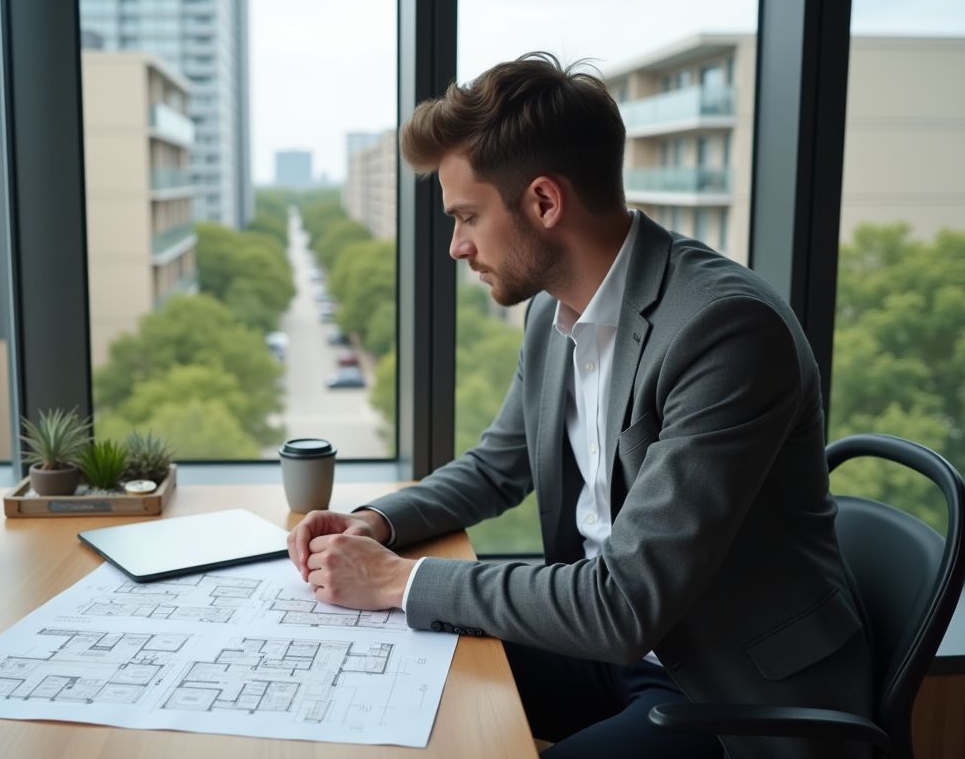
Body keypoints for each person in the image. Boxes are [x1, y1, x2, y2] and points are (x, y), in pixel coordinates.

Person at [287, 52, 874, 759]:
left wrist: (400, 580)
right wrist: (377, 521)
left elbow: (623, 602)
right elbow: (496, 466)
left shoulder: (727, 333)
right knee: (389, 677)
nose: (456, 246)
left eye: (467, 215)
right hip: (608, 651)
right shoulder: (554, 314)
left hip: (730, 694)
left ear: (542, 201)